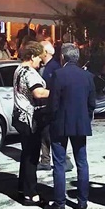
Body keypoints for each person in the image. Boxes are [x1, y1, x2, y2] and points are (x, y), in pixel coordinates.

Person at [44, 43, 95, 209]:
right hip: (80, 123)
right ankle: (82, 202)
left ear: (62, 57)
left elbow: (53, 102)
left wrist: (50, 118)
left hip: (60, 123)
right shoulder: (87, 76)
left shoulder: (58, 75)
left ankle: (60, 203)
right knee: (82, 162)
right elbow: (92, 103)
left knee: (59, 163)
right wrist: (86, 117)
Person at [12, 41, 51, 205]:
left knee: (26, 153)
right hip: (29, 118)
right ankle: (31, 194)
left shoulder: (18, 69)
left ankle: (22, 188)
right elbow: (38, 93)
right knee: (31, 156)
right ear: (32, 56)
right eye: (39, 58)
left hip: (19, 116)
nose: (40, 62)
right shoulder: (29, 72)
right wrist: (58, 92)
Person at [37, 40, 72, 172]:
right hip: (45, 105)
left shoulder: (54, 67)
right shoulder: (46, 66)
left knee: (51, 135)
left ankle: (65, 161)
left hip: (50, 105)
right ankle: (45, 160)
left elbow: (57, 88)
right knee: (45, 134)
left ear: (45, 52)